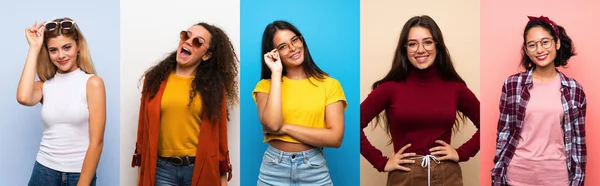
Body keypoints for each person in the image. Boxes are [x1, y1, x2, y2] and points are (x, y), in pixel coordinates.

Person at [360, 15, 480, 186]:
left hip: (448, 176)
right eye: (412, 44)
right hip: (405, 176)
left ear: (437, 46)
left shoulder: (455, 88)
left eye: (428, 42)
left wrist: (462, 153)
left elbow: (488, 122)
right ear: (405, 49)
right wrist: (381, 161)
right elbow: (353, 122)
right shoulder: (389, 88)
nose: (420, 49)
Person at [131, 22, 238, 186]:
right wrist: (142, 174)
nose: (188, 41)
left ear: (206, 55)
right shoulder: (154, 79)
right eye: (186, 35)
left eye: (198, 41)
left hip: (200, 169)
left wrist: (223, 181)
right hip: (161, 170)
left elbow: (220, 138)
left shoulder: (214, 87)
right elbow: (142, 132)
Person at [491, 15, 586, 186]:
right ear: (526, 51)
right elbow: (503, 134)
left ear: (556, 43)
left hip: (557, 177)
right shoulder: (512, 85)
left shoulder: (574, 90)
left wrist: (578, 180)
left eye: (545, 42)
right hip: (518, 175)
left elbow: (579, 142)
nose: (539, 50)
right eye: (532, 45)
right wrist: (498, 173)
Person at [253, 20, 347, 185]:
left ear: (302, 40)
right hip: (273, 169)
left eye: (294, 40)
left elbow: (335, 138)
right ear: (274, 54)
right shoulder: (265, 86)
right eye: (282, 47)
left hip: (314, 168)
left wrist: (285, 127)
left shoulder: (330, 85)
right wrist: (276, 72)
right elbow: (272, 125)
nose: (292, 48)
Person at [17, 17, 106, 186]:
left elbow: (97, 142)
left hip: (79, 173)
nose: (61, 55)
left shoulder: (92, 83)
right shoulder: (45, 86)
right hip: (44, 171)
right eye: (53, 50)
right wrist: (34, 48)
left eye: (67, 47)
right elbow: (23, 97)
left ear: (78, 46)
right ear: (48, 53)